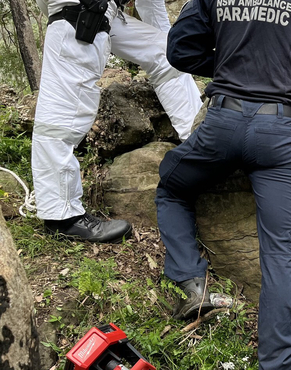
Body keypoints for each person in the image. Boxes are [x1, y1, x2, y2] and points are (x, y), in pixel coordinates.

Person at [156, 0, 291, 368]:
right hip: (279, 134)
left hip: (222, 123)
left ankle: (192, 281)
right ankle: (280, 363)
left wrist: (228, 63)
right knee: (280, 255)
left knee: (172, 187)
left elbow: (179, 50)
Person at [33, 0, 202, 243]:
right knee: (63, 114)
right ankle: (62, 216)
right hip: (82, 8)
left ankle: (196, 136)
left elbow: (151, 5)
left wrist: (174, 46)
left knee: (165, 50)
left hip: (106, 11)